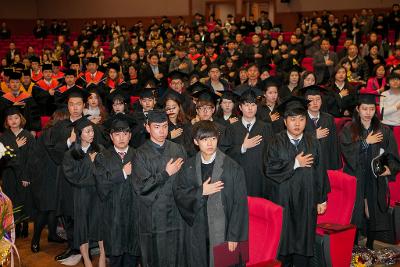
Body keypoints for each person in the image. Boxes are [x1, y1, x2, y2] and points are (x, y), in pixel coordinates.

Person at [264, 96, 330, 266]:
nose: (297, 123)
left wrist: (322, 198)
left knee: (303, 240)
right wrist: (294, 163)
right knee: (283, 241)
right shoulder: (275, 141)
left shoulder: (312, 142)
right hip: (283, 198)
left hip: (307, 199)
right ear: (285, 121)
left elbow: (320, 171)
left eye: (301, 119)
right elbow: (269, 169)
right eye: (292, 119)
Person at [173, 120, 248, 267]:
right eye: (204, 139)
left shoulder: (232, 168)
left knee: (224, 263)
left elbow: (240, 204)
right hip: (196, 230)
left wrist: (234, 236)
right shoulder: (188, 166)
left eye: (213, 138)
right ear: (196, 141)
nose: (210, 143)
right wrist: (201, 191)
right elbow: (179, 195)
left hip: (223, 230)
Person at [340, 92, 400, 249]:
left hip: (375, 177)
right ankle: (352, 248)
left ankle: (371, 246)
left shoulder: (384, 130)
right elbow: (347, 151)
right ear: (358, 109)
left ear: (376, 110)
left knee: (372, 213)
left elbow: (392, 155)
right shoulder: (349, 128)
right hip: (356, 177)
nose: (368, 113)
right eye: (364, 109)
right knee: (355, 212)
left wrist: (389, 169)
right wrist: (366, 142)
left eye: (371, 109)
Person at [132, 110, 187, 267]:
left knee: (177, 255)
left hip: (176, 214)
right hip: (154, 216)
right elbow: (141, 187)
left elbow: (185, 182)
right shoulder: (140, 154)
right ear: (148, 128)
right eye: (157, 127)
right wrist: (165, 174)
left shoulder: (178, 149)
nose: (162, 131)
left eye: (165, 126)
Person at [95, 114, 140, 267]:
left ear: (130, 136)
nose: (121, 138)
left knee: (132, 257)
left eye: (125, 134)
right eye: (117, 134)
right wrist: (122, 173)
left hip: (134, 214)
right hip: (113, 214)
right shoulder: (102, 157)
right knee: (115, 258)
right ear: (111, 136)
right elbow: (101, 184)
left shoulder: (138, 155)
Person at [62, 117, 106, 267]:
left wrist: (93, 169)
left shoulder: (100, 149)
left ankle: (102, 256)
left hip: (98, 193)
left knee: (100, 224)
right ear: (80, 134)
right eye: (87, 131)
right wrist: (90, 163)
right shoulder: (70, 154)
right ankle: (86, 259)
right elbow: (74, 178)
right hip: (81, 195)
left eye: (92, 130)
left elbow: (104, 172)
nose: (91, 133)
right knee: (82, 228)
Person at [222, 89, 273, 197]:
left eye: (253, 105)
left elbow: (271, 154)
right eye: (246, 105)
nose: (250, 108)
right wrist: (242, 147)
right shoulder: (231, 128)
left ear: (257, 107)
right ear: (240, 108)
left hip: (261, 179)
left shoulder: (266, 127)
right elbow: (224, 153)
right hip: (239, 178)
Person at [0, 107, 35, 238]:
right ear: (6, 121)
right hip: (9, 175)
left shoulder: (28, 136)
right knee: (12, 201)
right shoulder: (4, 137)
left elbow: (32, 159)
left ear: (21, 119)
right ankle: (15, 227)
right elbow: (3, 158)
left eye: (16, 117)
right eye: (10, 118)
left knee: (24, 200)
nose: (13, 121)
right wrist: (16, 146)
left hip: (23, 175)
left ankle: (25, 224)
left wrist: (27, 176)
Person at [300, 85, 342, 170]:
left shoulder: (329, 119)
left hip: (326, 163)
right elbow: (295, 141)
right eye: (311, 100)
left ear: (322, 101)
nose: (315, 103)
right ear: (305, 102)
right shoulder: (300, 119)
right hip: (307, 165)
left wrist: (334, 167)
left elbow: (334, 144)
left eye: (318, 99)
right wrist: (313, 135)